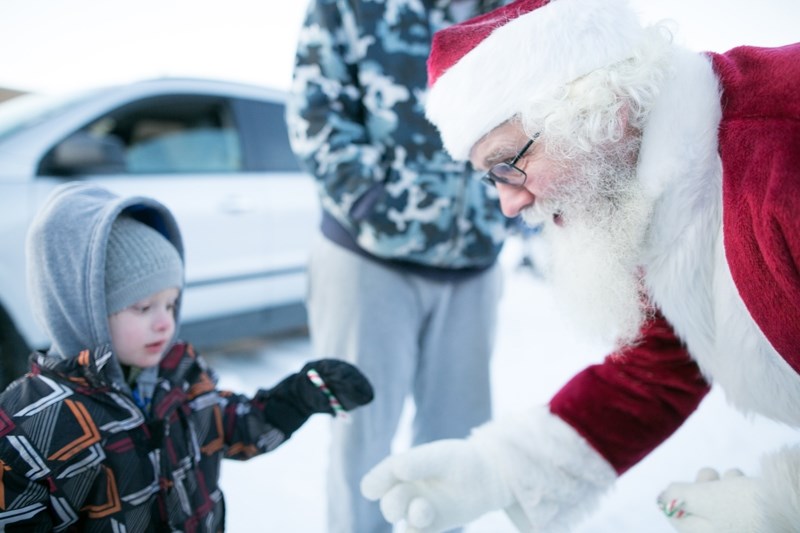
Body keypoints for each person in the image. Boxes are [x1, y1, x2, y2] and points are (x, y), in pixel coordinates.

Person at [359, 0, 800, 531]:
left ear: (598, 110)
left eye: (507, 164)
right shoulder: (651, 182)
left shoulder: (779, 149)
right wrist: (502, 468)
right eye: (489, 177)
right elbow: (664, 360)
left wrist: (783, 505)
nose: (508, 204)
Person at [0, 183, 374, 531]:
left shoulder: (179, 376)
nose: (165, 322)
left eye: (171, 303)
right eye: (143, 307)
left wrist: (298, 396)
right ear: (82, 309)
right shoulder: (36, 422)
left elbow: (232, 429)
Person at [285, 1, 516, 531]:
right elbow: (314, 109)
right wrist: (371, 203)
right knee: (360, 440)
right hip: (367, 261)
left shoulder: (513, 10)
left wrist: (505, 212)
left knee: (457, 443)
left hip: (473, 266)